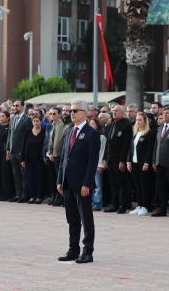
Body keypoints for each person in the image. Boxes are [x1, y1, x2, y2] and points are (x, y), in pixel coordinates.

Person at [56, 99, 101, 264]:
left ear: (85, 113)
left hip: (82, 184)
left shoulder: (92, 134)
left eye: (75, 110)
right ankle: (73, 249)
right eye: (71, 111)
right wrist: (60, 180)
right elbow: (64, 159)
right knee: (72, 218)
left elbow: (92, 161)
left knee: (86, 218)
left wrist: (87, 183)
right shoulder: (69, 132)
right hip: (68, 182)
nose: (72, 113)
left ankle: (87, 251)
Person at [126, 112, 157, 216]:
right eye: (137, 120)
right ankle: (139, 205)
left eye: (140, 120)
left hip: (143, 163)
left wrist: (147, 162)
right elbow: (131, 149)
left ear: (145, 122)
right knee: (137, 185)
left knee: (145, 185)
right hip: (134, 163)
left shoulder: (149, 133)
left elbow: (150, 150)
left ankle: (145, 206)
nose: (138, 122)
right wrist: (129, 161)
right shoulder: (135, 133)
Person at [103, 105, 132, 214]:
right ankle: (114, 204)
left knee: (121, 184)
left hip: (119, 159)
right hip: (111, 159)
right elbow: (108, 143)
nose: (114, 113)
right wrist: (106, 158)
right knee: (112, 183)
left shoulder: (126, 125)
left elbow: (126, 145)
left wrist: (122, 160)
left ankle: (122, 205)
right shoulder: (111, 125)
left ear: (123, 113)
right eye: (113, 111)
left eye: (117, 111)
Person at [152, 108, 169, 217]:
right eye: (163, 113)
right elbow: (156, 146)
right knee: (161, 188)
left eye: (167, 113)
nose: (165, 115)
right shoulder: (160, 128)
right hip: (160, 163)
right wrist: (154, 160)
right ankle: (162, 209)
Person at [6, 100, 33, 203]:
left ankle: (25, 195)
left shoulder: (27, 120)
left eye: (17, 106)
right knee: (16, 173)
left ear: (23, 107)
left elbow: (28, 137)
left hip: (21, 151)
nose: (14, 107)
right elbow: (10, 134)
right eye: (14, 105)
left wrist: (24, 151)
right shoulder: (12, 119)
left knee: (23, 174)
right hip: (13, 151)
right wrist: (8, 148)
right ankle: (18, 194)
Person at [48, 106, 73, 207]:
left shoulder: (72, 124)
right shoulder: (59, 123)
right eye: (64, 110)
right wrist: (50, 152)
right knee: (58, 178)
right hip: (56, 155)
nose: (65, 112)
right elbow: (52, 139)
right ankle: (59, 197)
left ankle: (66, 199)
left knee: (65, 178)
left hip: (66, 156)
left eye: (68, 110)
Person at [21, 113, 46, 204]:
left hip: (39, 159)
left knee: (39, 178)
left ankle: (39, 196)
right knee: (30, 178)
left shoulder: (44, 132)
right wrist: (23, 159)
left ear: (41, 122)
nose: (35, 123)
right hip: (29, 159)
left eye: (37, 121)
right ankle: (32, 196)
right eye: (34, 121)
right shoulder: (27, 132)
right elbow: (23, 146)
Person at [0, 111, 13, 201]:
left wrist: (7, 151)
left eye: (3, 116)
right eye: (0, 116)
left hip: (5, 152)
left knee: (5, 174)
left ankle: (6, 193)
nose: (1, 118)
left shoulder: (9, 127)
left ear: (8, 117)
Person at [89, 118, 106, 211]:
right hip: (89, 165)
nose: (90, 125)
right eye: (90, 123)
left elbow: (101, 152)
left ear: (98, 126)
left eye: (93, 124)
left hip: (97, 165)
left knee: (98, 185)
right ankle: (91, 202)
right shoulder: (88, 136)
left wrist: (100, 165)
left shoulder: (101, 137)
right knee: (90, 184)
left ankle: (97, 203)